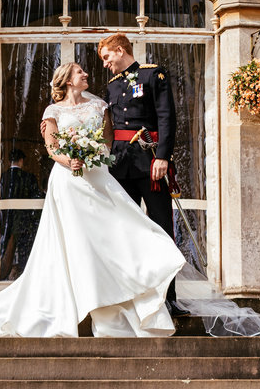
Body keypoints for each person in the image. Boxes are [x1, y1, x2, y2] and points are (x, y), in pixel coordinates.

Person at [0, 62, 186, 337]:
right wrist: (71, 160)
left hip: (98, 175)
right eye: (80, 72)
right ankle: (83, 296)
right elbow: (52, 148)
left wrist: (94, 156)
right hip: (67, 180)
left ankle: (132, 284)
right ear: (67, 80)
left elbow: (109, 140)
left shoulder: (100, 105)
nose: (86, 74)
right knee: (76, 240)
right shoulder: (52, 111)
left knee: (116, 231)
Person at [98, 33, 188, 318]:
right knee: (123, 231)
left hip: (150, 163)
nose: (105, 64)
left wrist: (162, 156)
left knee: (162, 228)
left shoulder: (153, 75)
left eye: (107, 57)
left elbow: (166, 117)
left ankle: (168, 298)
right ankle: (130, 297)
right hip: (121, 166)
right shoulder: (112, 87)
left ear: (120, 50)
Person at [0, 148, 44, 280]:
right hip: (24, 220)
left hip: (6, 220)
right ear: (21, 160)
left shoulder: (2, 177)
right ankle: (25, 276)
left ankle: (3, 275)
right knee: (24, 249)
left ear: (8, 161)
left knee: (5, 248)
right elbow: (36, 197)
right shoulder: (29, 177)